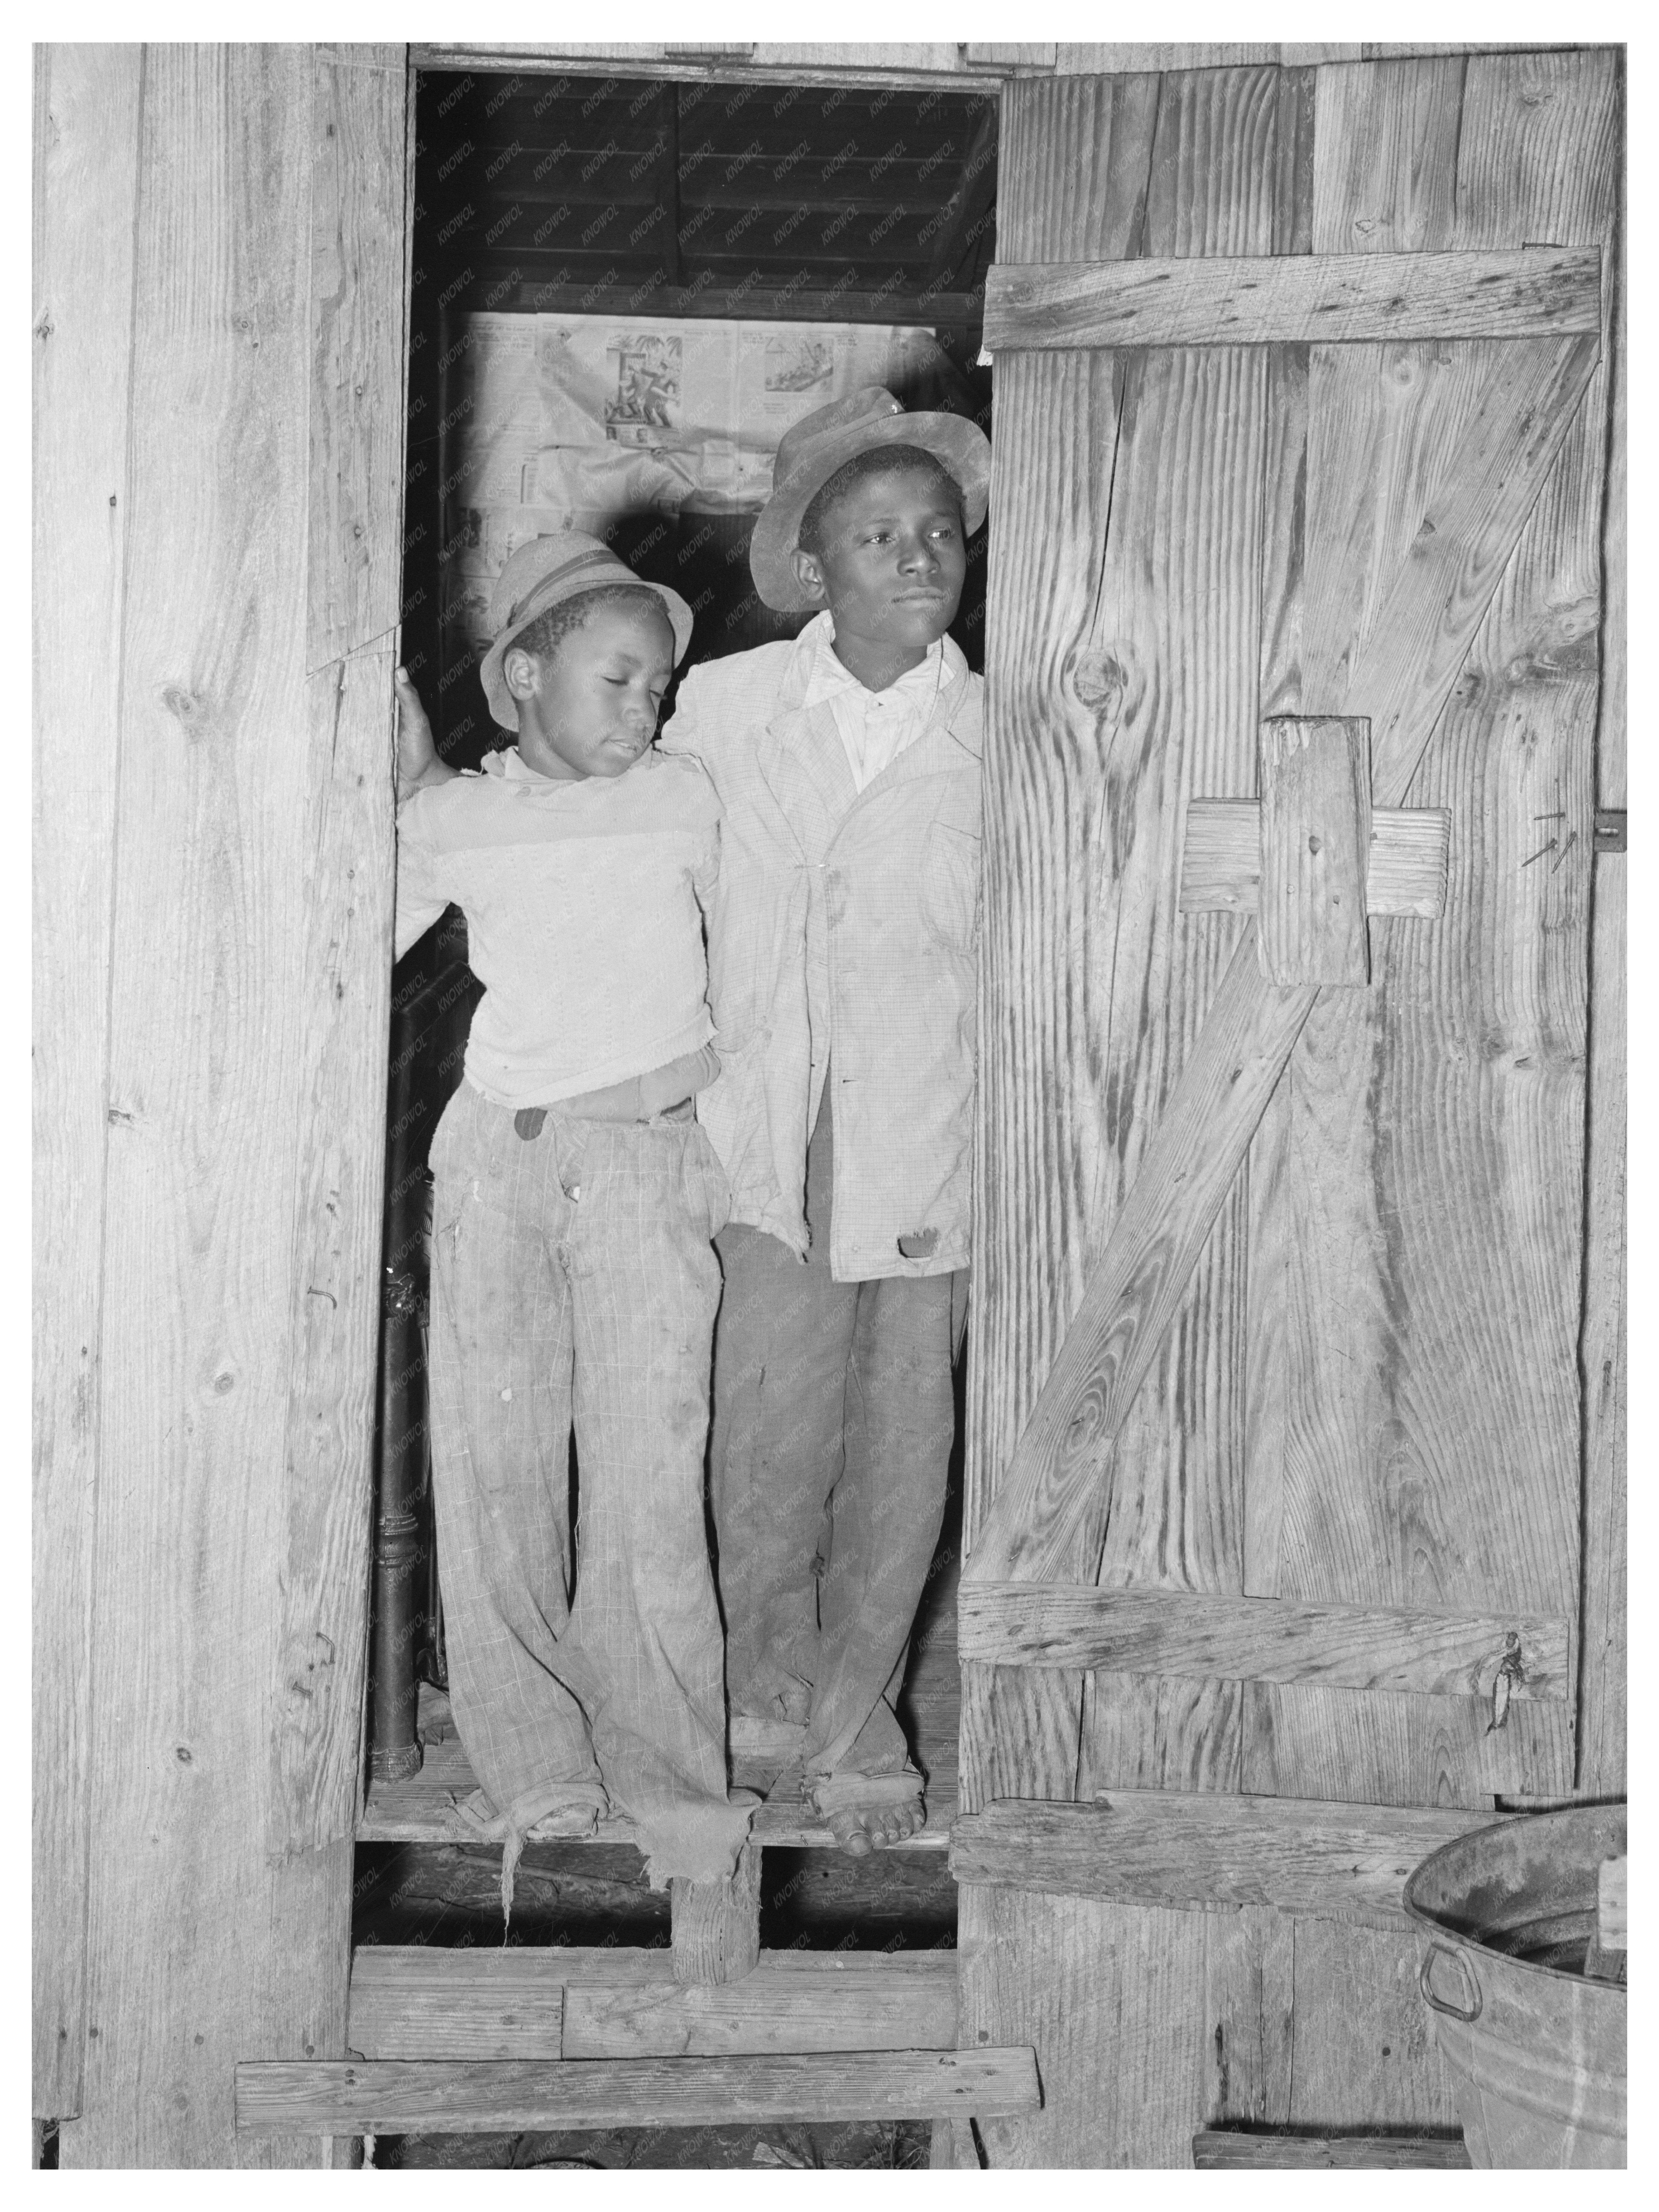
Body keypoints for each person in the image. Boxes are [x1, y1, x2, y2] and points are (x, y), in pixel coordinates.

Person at [394, 533, 752, 1915]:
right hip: (500, 1162)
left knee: (652, 1483)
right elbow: (344, 944)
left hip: (650, 1162)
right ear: (528, 677)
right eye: (617, 679)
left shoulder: (689, 798)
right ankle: (535, 1767)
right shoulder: (454, 820)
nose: (645, 707)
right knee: (498, 1472)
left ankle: (675, 1790)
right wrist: (400, 790)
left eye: (658, 685)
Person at [659, 386, 991, 1855]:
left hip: (927, 1129)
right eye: (877, 535)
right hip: (766, 1121)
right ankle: (763, 1692)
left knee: (902, 1442)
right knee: (764, 1431)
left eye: (939, 533)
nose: (917, 557)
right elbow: (643, 872)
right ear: (810, 566)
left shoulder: (1000, 729)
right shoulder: (725, 710)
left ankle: (860, 1729)